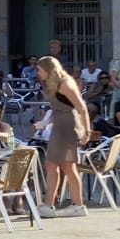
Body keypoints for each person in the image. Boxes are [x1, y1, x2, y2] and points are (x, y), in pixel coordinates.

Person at [35, 57, 91, 215]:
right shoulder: (53, 84)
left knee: (67, 165)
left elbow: (81, 108)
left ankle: (76, 205)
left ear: (49, 70)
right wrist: (45, 122)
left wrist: (87, 132)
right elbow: (61, 108)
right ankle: (51, 204)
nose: (38, 73)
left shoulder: (65, 84)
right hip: (59, 125)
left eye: (40, 70)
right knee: (53, 164)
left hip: (67, 127)